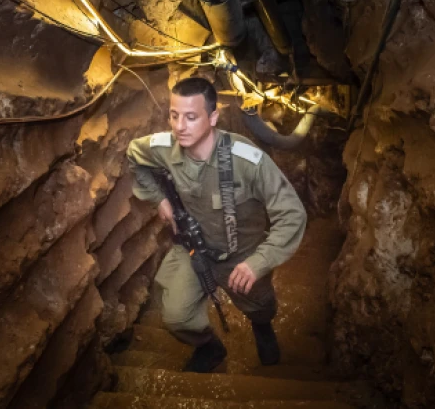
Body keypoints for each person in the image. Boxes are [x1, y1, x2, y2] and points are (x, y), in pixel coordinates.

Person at [126, 76, 307, 373]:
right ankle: (209, 347)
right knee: (176, 316)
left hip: (242, 255)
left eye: (191, 117)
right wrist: (159, 199)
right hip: (194, 248)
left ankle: (261, 327)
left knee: (260, 305)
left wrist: (258, 263)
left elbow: (292, 214)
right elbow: (134, 151)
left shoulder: (247, 160)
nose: (179, 126)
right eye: (174, 115)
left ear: (212, 118)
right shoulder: (165, 146)